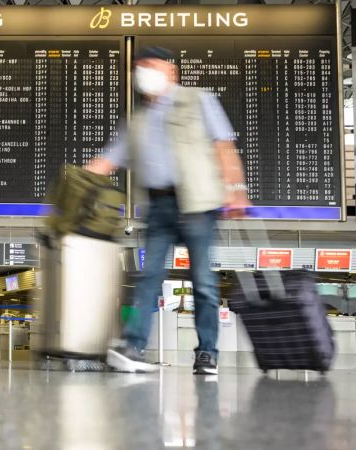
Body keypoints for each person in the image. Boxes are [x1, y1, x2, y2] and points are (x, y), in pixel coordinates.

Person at [87, 47, 250, 375]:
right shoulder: (137, 120)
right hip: (158, 206)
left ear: (170, 71)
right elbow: (107, 160)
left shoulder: (198, 99)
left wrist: (236, 191)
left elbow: (223, 146)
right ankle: (133, 346)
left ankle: (207, 353)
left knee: (202, 281)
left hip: (198, 205)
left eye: (148, 65)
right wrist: (76, 185)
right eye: (137, 67)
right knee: (148, 278)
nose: (141, 72)